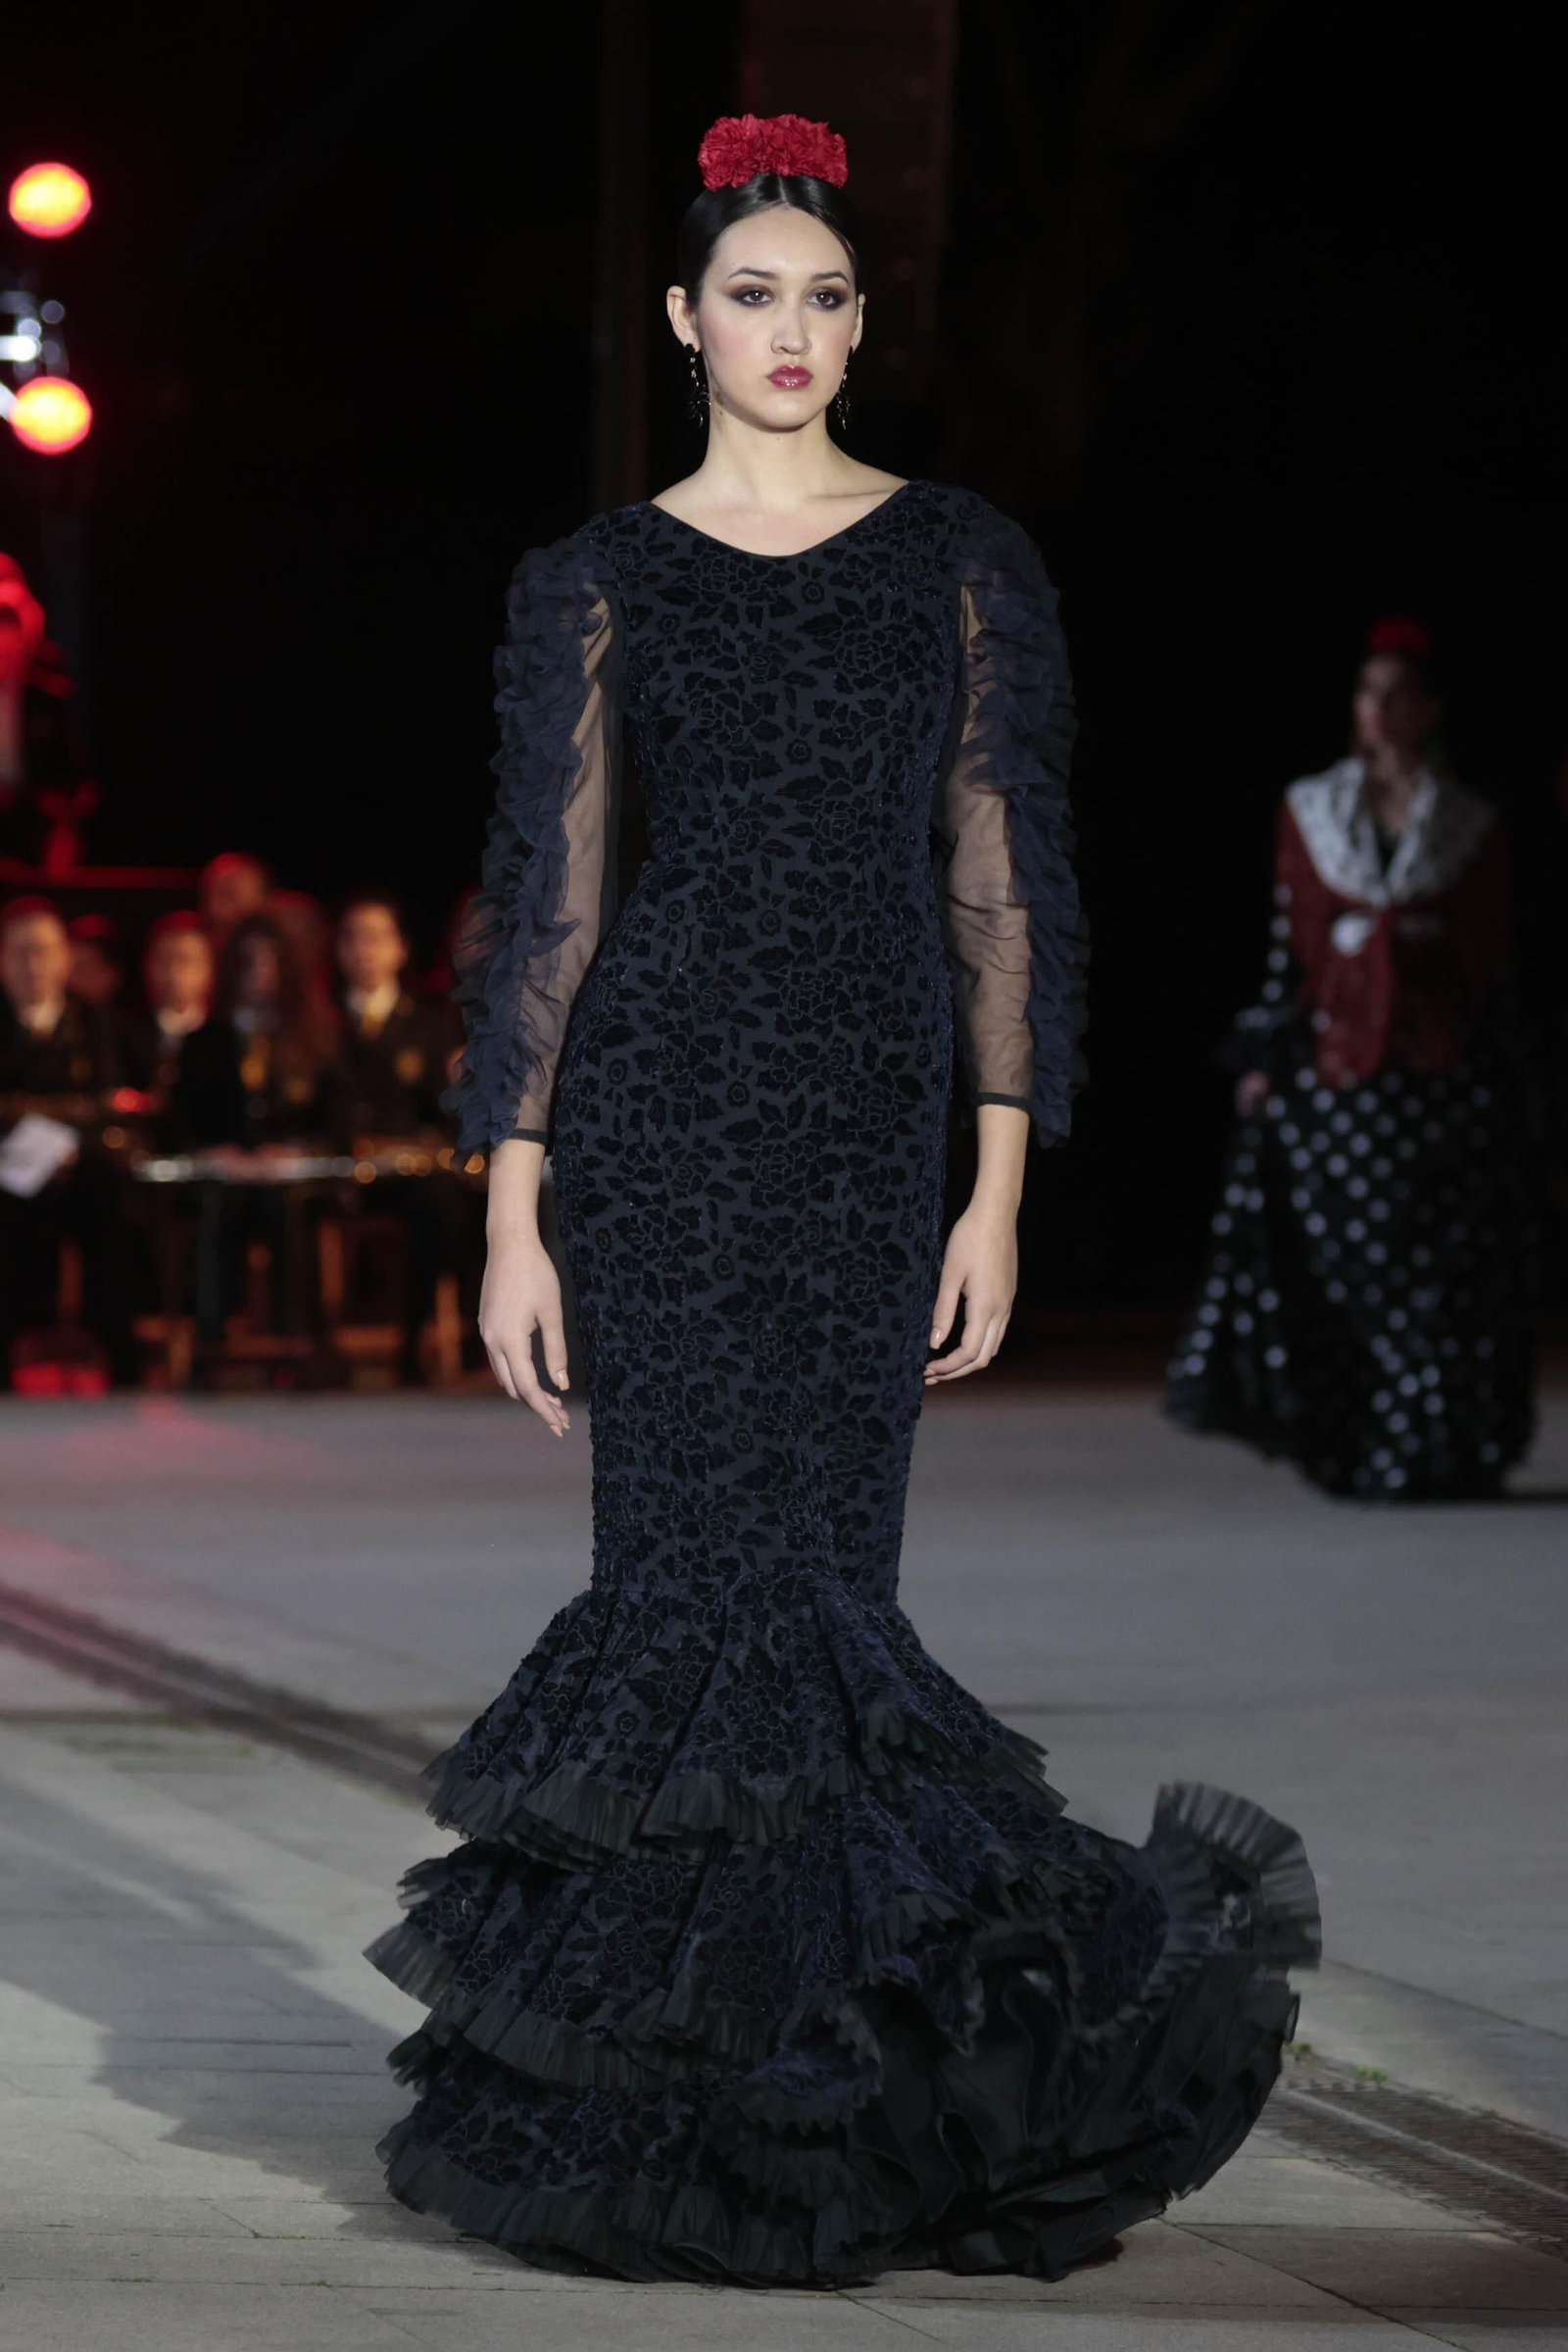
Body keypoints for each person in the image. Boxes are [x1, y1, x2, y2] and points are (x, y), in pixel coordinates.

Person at [368, 115, 1318, 2286]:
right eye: (752, 294)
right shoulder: (593, 575)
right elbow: (547, 902)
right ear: (686, 323)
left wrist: (995, 1183)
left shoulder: (958, 556)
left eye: (825, 295)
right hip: (655, 1130)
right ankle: (710, 2108)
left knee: (822, 1601)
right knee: (686, 1596)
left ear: (858, 327)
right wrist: (511, 1207)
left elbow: (1003, 878)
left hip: (870, 1135)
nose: (789, 330)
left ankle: (845, 2090)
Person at [1166, 620, 1537, 1499]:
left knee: (1441, 1271)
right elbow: (1287, 945)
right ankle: (1364, 1443)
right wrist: (1263, 1057)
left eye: (1399, 695)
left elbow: (1492, 959)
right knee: (1347, 1262)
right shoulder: (1314, 810)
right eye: (1369, 695)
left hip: (1438, 1072)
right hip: (1339, 1072)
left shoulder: (1469, 821)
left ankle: (1437, 1450)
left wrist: (1511, 1073)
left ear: (1429, 711)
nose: (1380, 711)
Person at [330, 889, 469, 1379]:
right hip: (338, 1171)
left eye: (375, 937)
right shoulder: (318, 1019)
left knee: (440, 1201)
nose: (363, 949)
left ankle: (416, 1341)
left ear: (400, 948)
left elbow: (444, 1112)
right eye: (351, 937)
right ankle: (315, 1350)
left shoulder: (431, 1022)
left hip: (405, 1170)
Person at [0, 895, 137, 1386]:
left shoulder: (93, 1020)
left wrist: (56, 1134)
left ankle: (122, 1361)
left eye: (43, 951)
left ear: (64, 959)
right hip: (8, 1173)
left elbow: (108, 1101)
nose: (32, 965)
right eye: (19, 952)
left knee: (109, 1203)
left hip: (80, 1169)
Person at [122, 910, 214, 1103]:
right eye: (163, 960)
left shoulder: (226, 1036)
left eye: (185, 960)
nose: (173, 973)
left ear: (209, 968)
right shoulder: (123, 1033)